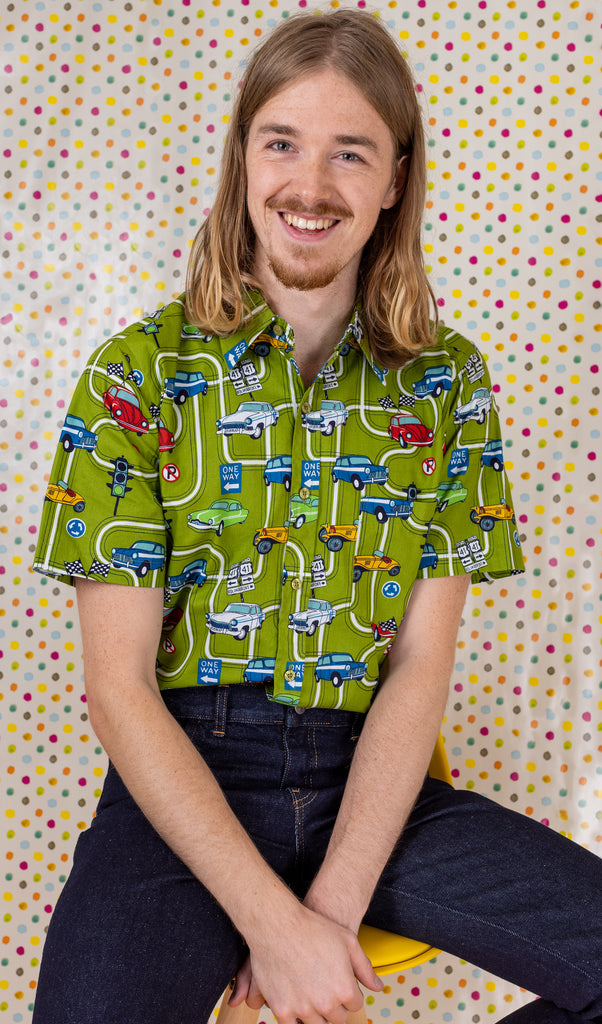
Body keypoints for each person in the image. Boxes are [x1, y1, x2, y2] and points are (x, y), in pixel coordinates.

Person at [31, 10, 602, 1024]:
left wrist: (328, 909)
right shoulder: (137, 373)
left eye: (350, 153)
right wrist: (275, 927)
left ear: (394, 181)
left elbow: (418, 666)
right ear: (242, 157)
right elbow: (118, 690)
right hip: (184, 781)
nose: (309, 185)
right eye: (282, 143)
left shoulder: (447, 385)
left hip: (368, 783)